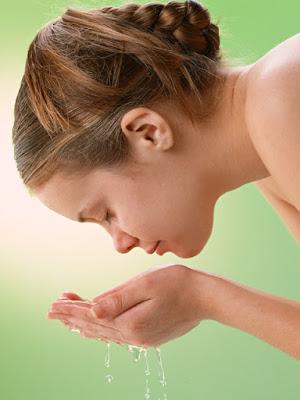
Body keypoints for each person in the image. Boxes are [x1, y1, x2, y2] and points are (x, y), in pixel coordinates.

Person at [12, 0, 300, 359]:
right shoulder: (267, 161)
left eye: (106, 214)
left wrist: (204, 297)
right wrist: (197, 296)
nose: (119, 244)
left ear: (148, 133)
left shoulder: (283, 101)